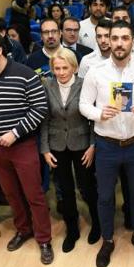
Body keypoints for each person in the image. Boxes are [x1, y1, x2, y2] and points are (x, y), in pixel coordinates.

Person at [79, 20, 134, 267]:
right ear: (108, 41)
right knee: (105, 196)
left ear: (132, 41)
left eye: (125, 38)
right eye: (115, 38)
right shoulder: (96, 72)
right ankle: (107, 239)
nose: (119, 43)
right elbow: (84, 105)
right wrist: (99, 114)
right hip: (106, 145)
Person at [0, 32, 53, 265]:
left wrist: (15, 133)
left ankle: (44, 239)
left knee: (34, 195)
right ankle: (23, 229)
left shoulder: (25, 74)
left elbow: (40, 109)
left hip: (22, 146)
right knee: (11, 194)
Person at [41, 48, 99, 253]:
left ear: (74, 67)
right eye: (57, 68)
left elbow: (93, 120)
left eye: (65, 67)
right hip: (57, 145)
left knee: (87, 187)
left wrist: (93, 145)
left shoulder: (85, 85)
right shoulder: (47, 85)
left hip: (82, 144)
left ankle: (97, 224)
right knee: (65, 191)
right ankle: (72, 229)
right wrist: (45, 149)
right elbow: (44, 120)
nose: (61, 72)